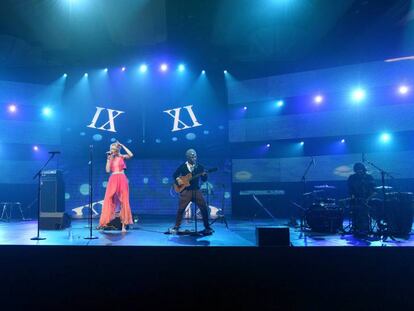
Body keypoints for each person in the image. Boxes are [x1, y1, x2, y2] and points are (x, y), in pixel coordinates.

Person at [169, 149, 214, 235]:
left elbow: (204, 180)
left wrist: (205, 176)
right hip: (186, 191)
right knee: (181, 209)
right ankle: (176, 226)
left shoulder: (200, 167)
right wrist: (178, 180)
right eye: (192, 156)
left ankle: (207, 227)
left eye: (195, 156)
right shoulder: (183, 166)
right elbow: (175, 175)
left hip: (196, 191)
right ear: (188, 157)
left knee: (204, 208)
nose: (194, 158)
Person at [98, 141, 134, 232]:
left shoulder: (122, 157)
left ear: (117, 150)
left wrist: (122, 145)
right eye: (111, 149)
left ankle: (123, 226)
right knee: (108, 199)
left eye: (114, 149)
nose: (112, 151)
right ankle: (104, 222)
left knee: (124, 200)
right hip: (113, 178)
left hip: (122, 178)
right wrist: (108, 159)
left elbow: (131, 155)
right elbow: (107, 170)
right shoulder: (110, 158)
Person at [347, 162, 376, 236]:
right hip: (357, 199)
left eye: (360, 169)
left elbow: (374, 190)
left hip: (368, 199)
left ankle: (366, 228)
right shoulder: (352, 177)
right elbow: (350, 190)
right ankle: (357, 227)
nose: (359, 171)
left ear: (363, 169)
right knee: (357, 209)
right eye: (357, 170)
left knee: (365, 209)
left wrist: (368, 199)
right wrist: (353, 197)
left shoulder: (369, 177)